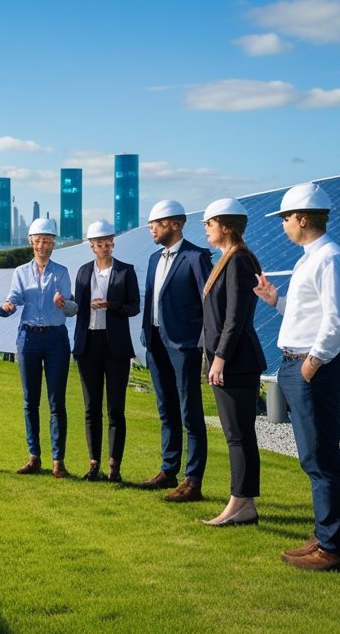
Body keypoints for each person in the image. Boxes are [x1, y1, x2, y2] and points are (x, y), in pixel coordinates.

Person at [255, 183, 340, 571]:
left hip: (313, 368)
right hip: (297, 364)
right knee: (313, 456)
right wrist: (275, 301)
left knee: (321, 457)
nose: (282, 226)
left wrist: (313, 363)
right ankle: (324, 535)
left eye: (284, 219)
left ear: (301, 219)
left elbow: (337, 320)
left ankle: (333, 550)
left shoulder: (330, 259)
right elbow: (308, 315)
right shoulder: (309, 259)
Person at [198, 198, 267, 527]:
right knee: (237, 434)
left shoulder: (238, 260)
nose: (206, 228)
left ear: (226, 226)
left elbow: (235, 318)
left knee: (239, 435)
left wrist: (220, 359)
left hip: (236, 362)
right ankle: (243, 503)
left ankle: (240, 504)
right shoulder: (228, 259)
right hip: (229, 360)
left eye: (209, 223)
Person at [139, 199, 213, 502]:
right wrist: (146, 333)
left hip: (183, 346)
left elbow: (208, 303)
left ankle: (192, 480)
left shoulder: (196, 257)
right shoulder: (155, 259)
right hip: (156, 342)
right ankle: (168, 469)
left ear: (175, 224)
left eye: (155, 223)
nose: (151, 229)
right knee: (166, 410)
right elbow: (151, 301)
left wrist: (201, 342)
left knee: (189, 413)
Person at [0, 218, 78, 478]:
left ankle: (58, 461)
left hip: (56, 339)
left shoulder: (62, 272)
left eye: (48, 240)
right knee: (29, 401)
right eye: (38, 240)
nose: (43, 245)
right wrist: (10, 305)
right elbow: (15, 296)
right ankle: (34, 457)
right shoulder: (21, 272)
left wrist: (62, 303)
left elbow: (72, 309)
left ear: (53, 243)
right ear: (31, 242)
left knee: (57, 402)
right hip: (29, 339)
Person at [72, 219, 141, 482]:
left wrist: (110, 305)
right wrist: (63, 304)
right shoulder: (82, 272)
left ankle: (114, 466)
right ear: (91, 246)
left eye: (108, 242)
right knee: (91, 408)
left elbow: (134, 307)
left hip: (116, 348)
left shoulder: (126, 271)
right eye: (99, 243)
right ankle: (93, 464)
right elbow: (77, 308)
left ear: (113, 243)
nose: (104, 246)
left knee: (115, 409)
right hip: (88, 345)